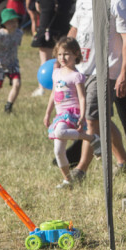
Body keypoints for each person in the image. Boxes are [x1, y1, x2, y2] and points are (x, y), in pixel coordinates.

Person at [67, 0, 126, 179]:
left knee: (92, 119)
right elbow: (74, 30)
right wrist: (63, 58)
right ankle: (124, 161)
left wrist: (125, 72)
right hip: (82, 68)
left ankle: (81, 169)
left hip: (106, 70)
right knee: (100, 118)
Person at [44, 37, 99, 188]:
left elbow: (82, 97)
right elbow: (53, 94)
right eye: (60, 54)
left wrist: (82, 116)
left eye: (67, 54)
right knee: (58, 151)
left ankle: (90, 138)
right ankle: (68, 180)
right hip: (59, 115)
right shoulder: (56, 73)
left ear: (76, 55)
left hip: (72, 114)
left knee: (60, 132)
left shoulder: (77, 76)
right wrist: (48, 113)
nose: (63, 58)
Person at [30, 0, 73, 97]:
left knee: (44, 61)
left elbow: (38, 8)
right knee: (62, 62)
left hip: (45, 32)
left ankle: (41, 87)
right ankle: (61, 86)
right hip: (62, 34)